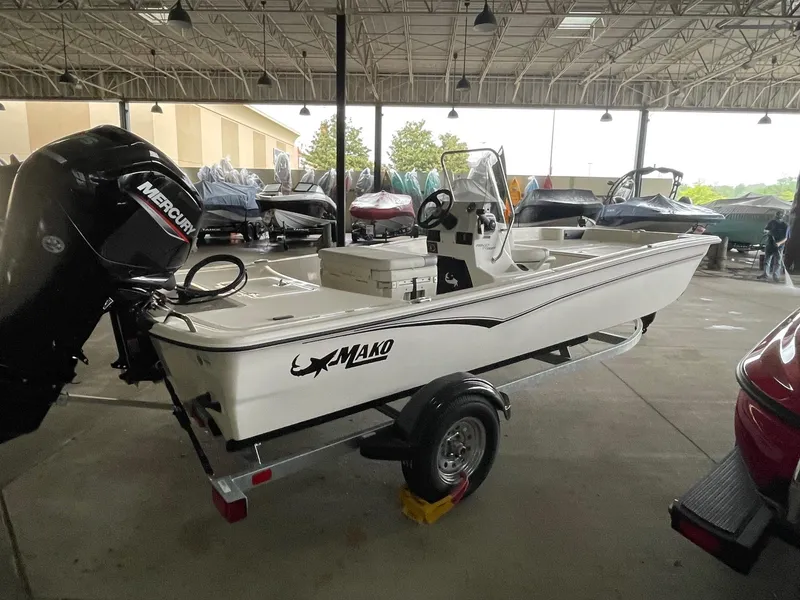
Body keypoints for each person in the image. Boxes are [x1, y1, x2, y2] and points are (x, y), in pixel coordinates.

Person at [759, 210, 788, 281]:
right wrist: (767, 232)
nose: (778, 216)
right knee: (767, 260)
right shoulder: (772, 222)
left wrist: (779, 243)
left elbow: (786, 238)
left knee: (777, 262)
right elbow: (765, 230)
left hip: (779, 246)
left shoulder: (785, 225)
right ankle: (765, 274)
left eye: (780, 215)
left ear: (783, 216)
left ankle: (776, 276)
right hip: (770, 244)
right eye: (777, 214)